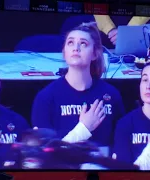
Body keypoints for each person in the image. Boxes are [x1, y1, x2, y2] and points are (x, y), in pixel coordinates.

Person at [31, 22, 125, 157]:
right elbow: (44, 157)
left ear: (94, 54)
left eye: (83, 43)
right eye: (70, 43)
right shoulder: (46, 97)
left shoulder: (111, 94)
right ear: (64, 53)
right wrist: (84, 129)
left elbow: (120, 144)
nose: (76, 48)